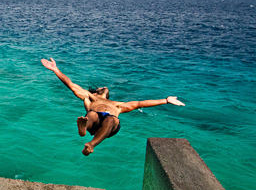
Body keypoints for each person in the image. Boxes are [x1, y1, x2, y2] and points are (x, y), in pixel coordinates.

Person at [41, 58, 185, 156]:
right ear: (97, 91)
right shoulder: (90, 97)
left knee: (112, 120)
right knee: (91, 115)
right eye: (102, 87)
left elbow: (140, 104)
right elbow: (71, 85)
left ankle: (91, 144)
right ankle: (83, 129)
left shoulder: (117, 105)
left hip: (109, 125)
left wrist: (166, 100)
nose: (105, 87)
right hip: (94, 119)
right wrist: (55, 69)